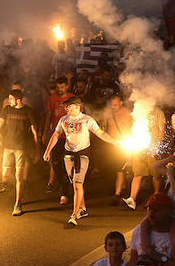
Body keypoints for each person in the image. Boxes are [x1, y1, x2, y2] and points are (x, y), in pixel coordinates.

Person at [43, 96, 120, 227]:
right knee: (74, 183)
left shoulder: (87, 119)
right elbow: (56, 135)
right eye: (66, 106)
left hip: (83, 155)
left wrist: (115, 141)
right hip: (68, 155)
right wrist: (47, 151)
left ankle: (74, 215)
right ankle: (83, 209)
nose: (66, 109)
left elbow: (100, 133)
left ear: (77, 106)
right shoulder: (63, 119)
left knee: (77, 184)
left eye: (69, 106)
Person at [0, 88, 39, 216]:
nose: (9, 101)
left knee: (18, 176)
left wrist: (36, 150)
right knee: (5, 173)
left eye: (11, 99)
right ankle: (18, 187)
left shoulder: (28, 111)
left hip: (21, 148)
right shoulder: (7, 109)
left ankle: (18, 203)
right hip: (8, 147)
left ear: (18, 100)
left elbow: (35, 133)